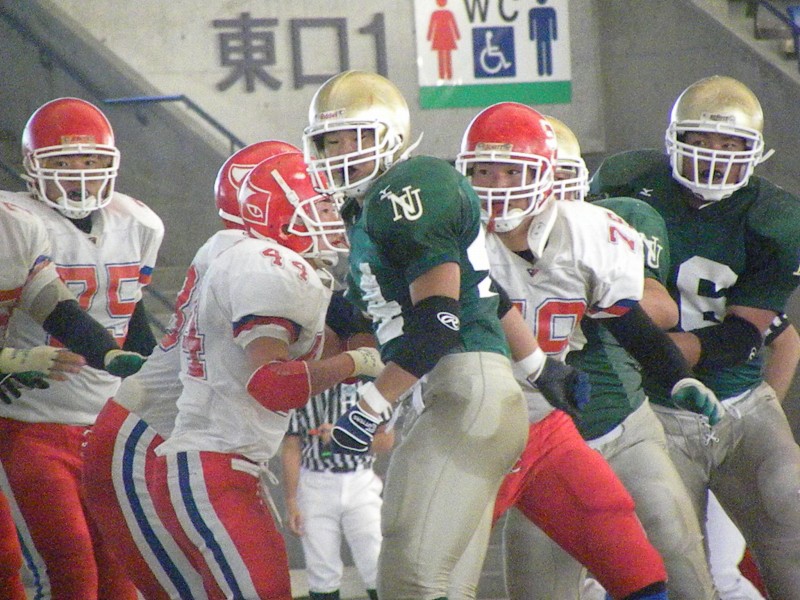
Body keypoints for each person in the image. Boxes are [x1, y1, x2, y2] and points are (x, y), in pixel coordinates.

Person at [451, 102, 724, 600]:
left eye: (512, 171)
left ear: (546, 176)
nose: (497, 186)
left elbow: (629, 319)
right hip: (482, 427)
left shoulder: (590, 232)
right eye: (483, 171)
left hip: (555, 427)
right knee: (454, 572)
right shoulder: (452, 238)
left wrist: (677, 376)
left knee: (667, 555)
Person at [303, 70, 538, 599]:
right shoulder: (367, 212)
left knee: (407, 577)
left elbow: (438, 324)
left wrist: (367, 407)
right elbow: (487, 291)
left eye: (353, 138)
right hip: (464, 396)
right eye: (330, 142)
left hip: (464, 391)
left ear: (390, 136)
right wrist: (540, 367)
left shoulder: (406, 190)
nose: (340, 153)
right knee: (444, 588)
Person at [591, 74, 800, 599]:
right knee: (675, 564)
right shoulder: (627, 184)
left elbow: (745, 337)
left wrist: (661, 351)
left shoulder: (776, 218)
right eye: (701, 141)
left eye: (729, 145)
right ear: (673, 140)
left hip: (740, 400)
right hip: (651, 410)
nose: (713, 157)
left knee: (789, 505)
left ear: (754, 152)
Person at [148, 151, 384, 599]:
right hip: (212, 466)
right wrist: (357, 362)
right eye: (323, 207)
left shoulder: (257, 261)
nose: (335, 219)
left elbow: (329, 354)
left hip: (219, 466)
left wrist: (357, 349)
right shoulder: (267, 264)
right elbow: (272, 384)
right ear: (280, 214)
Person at [81, 139, 299, 600]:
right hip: (147, 444)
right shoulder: (254, 264)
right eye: (309, 198)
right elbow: (273, 377)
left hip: (170, 441)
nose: (323, 210)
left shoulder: (235, 252)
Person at [0, 97, 163, 599]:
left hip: (105, 422)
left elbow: (131, 315)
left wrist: (151, 378)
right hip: (30, 418)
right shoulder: (16, 222)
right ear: (34, 167)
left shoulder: (138, 223)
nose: (80, 173)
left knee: (121, 569)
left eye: (91, 159)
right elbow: (52, 307)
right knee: (68, 567)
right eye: (65, 161)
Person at [0, 196, 141, 599]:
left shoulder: (14, 227)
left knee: (110, 568)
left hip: (74, 427)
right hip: (25, 427)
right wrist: (9, 359)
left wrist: (106, 353)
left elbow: (54, 304)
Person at [281, 294, 394, 600]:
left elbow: (386, 439)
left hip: (359, 479)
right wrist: (291, 499)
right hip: (315, 481)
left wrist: (350, 438)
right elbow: (292, 445)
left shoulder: (368, 383)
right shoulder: (305, 383)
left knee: (375, 559)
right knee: (321, 568)